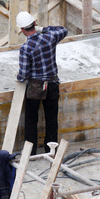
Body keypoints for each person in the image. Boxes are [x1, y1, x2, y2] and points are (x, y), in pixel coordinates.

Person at [16, 11, 68, 155]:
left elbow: (24, 73)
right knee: (51, 118)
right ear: (35, 24)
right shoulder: (49, 37)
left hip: (35, 87)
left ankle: (30, 152)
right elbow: (63, 30)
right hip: (52, 84)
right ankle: (51, 150)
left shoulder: (26, 48)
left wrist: (19, 78)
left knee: (31, 120)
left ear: (22, 30)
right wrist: (43, 29)